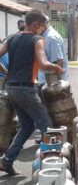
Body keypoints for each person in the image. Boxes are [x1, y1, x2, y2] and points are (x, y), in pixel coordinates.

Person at [0, 9, 63, 176]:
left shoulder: (12, 37)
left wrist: (7, 71)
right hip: (26, 89)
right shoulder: (37, 39)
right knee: (47, 125)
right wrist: (56, 67)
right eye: (41, 25)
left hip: (11, 88)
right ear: (35, 24)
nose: (42, 28)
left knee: (27, 126)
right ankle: (53, 166)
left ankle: (6, 161)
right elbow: (43, 63)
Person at [38, 16, 68, 89]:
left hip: (50, 85)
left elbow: (59, 61)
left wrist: (56, 86)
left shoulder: (51, 38)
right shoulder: (45, 36)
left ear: (43, 25)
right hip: (46, 82)